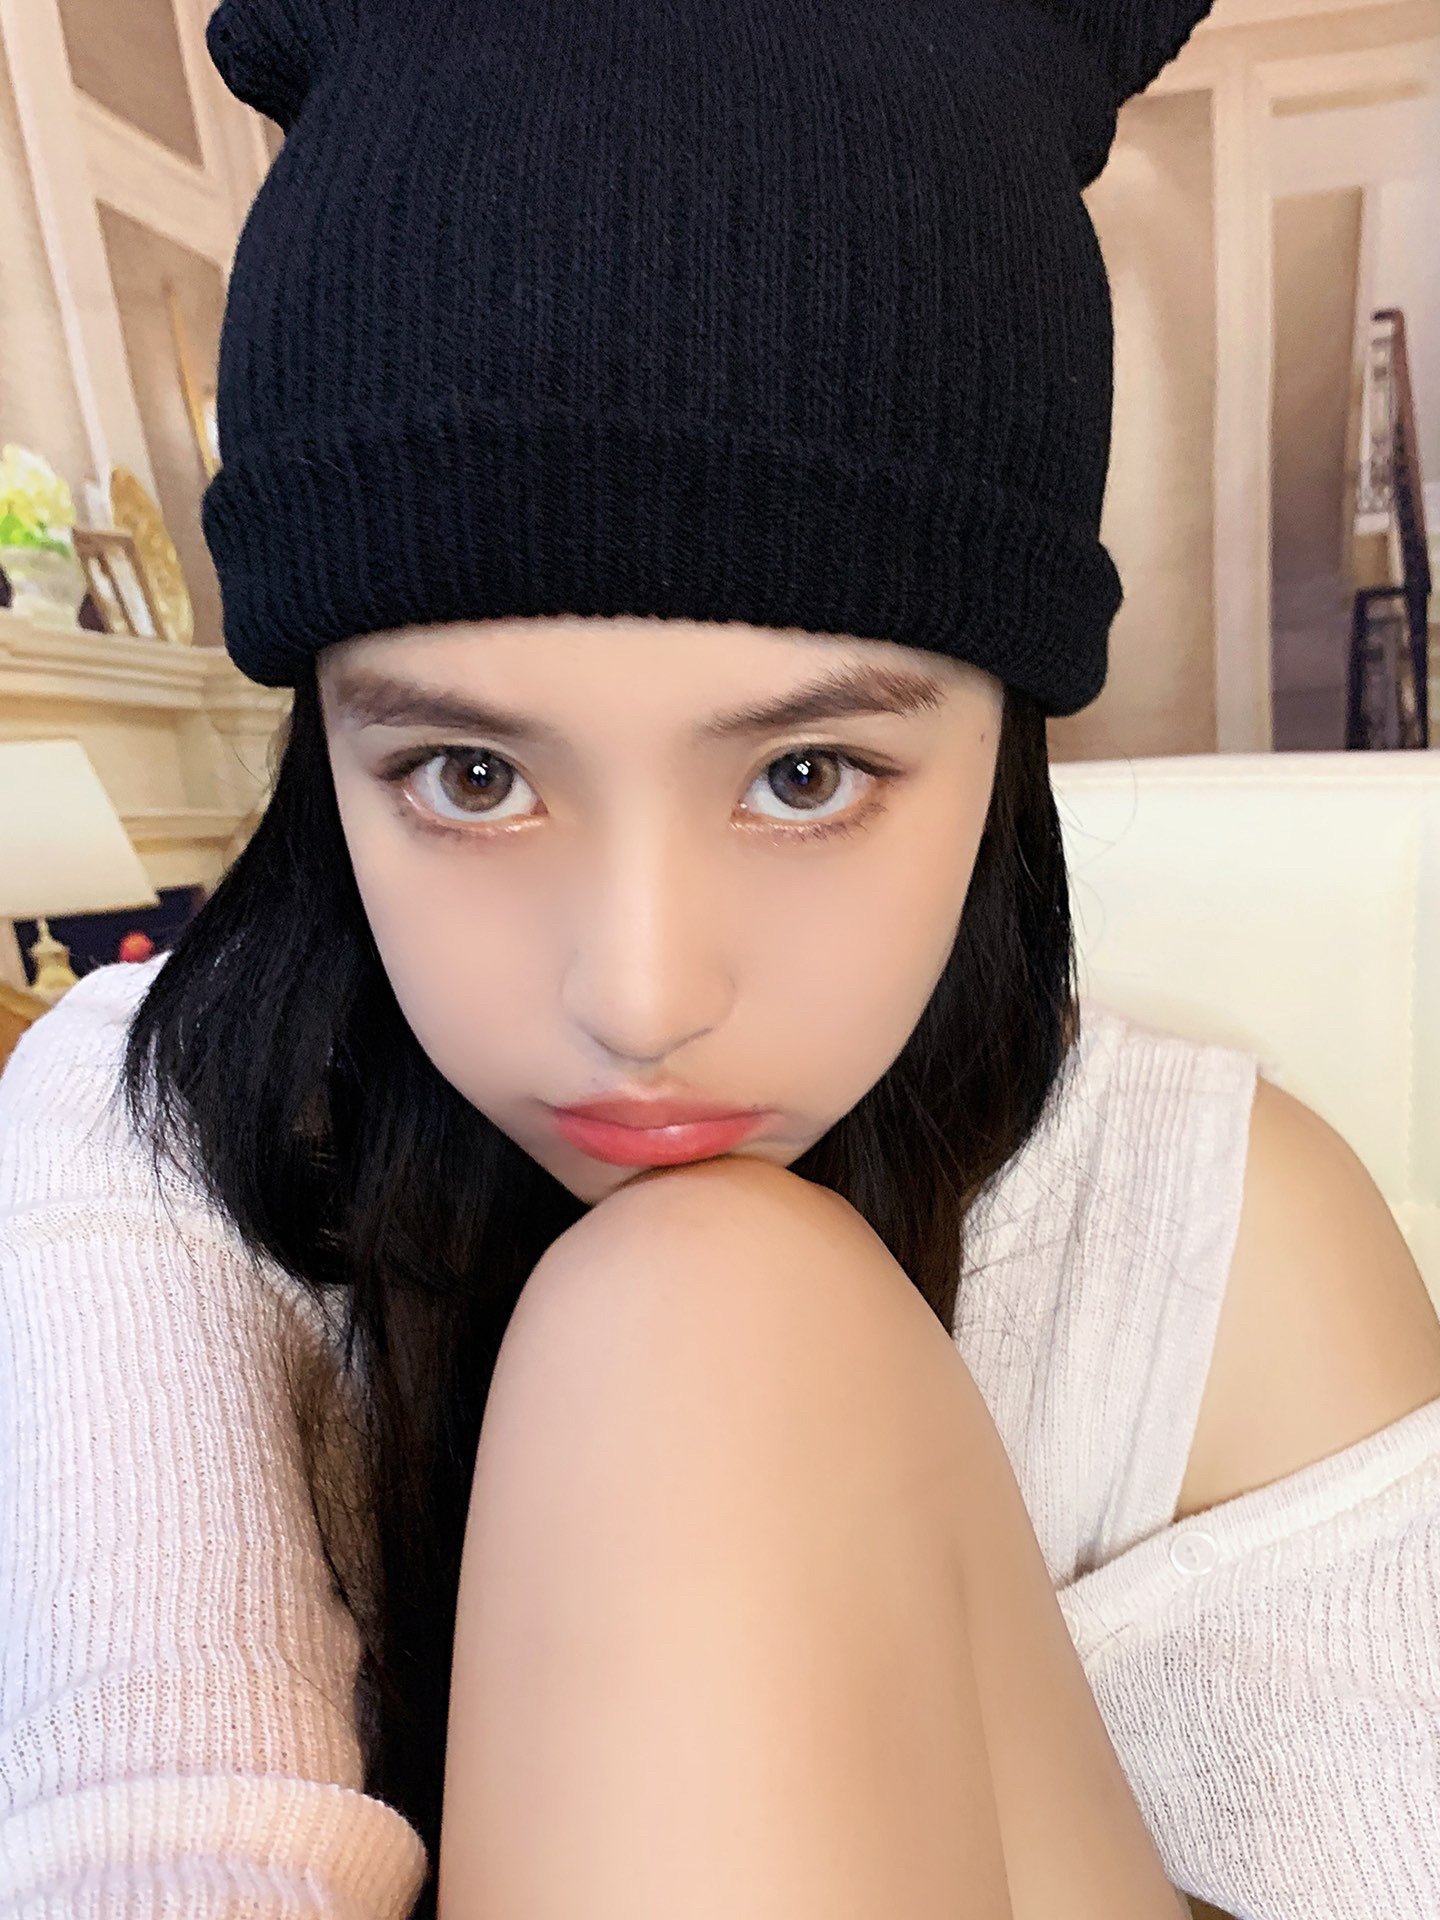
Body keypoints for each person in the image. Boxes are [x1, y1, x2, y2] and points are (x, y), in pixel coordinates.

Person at [2, 2, 1438, 1916]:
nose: (640, 993)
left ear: (1004, 749)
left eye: (803, 773)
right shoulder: (147, 1133)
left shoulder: (1223, 1237)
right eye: (470, 774)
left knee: (704, 1314)